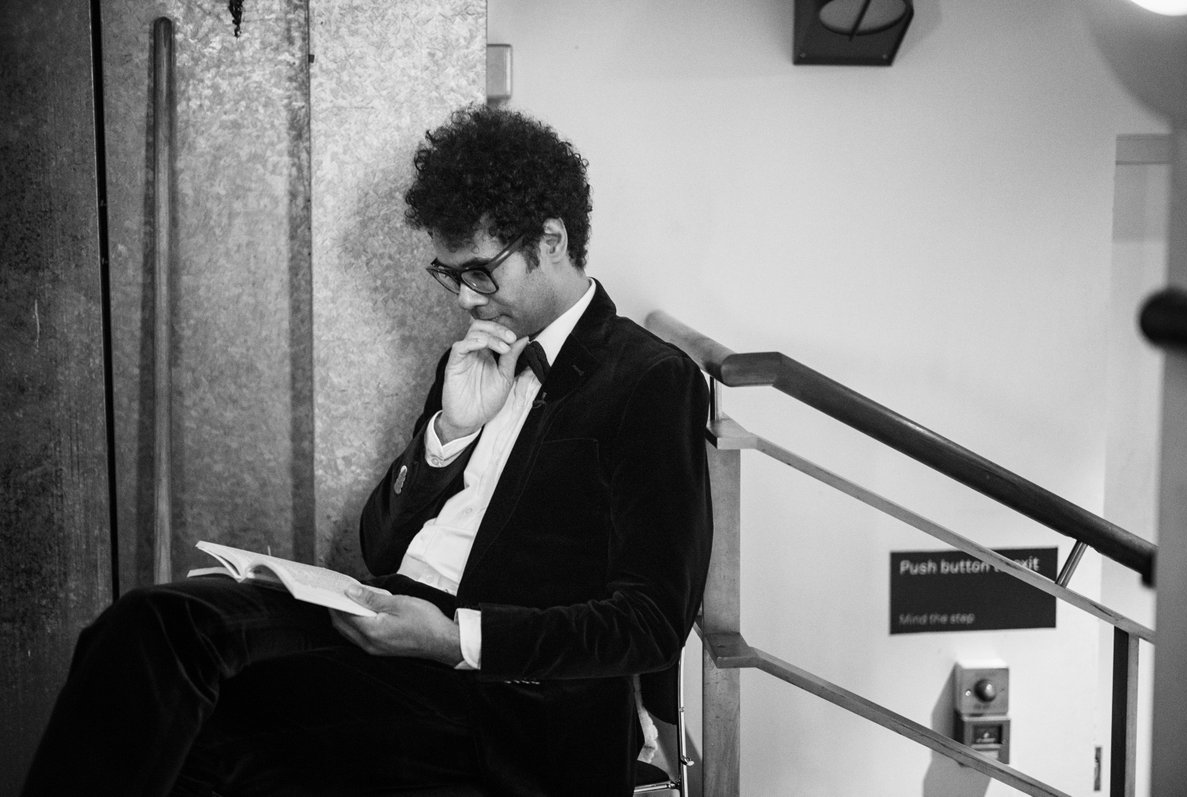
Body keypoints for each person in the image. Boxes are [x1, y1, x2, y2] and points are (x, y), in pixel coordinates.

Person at [21, 105, 712, 796]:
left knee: (213, 734)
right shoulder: (473, 359)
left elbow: (650, 622)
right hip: (386, 611)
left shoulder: (651, 380)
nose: (468, 300)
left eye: (482, 272)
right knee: (152, 628)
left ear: (552, 239)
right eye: (451, 275)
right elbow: (380, 545)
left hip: (501, 700)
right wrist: (451, 432)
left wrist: (454, 637)